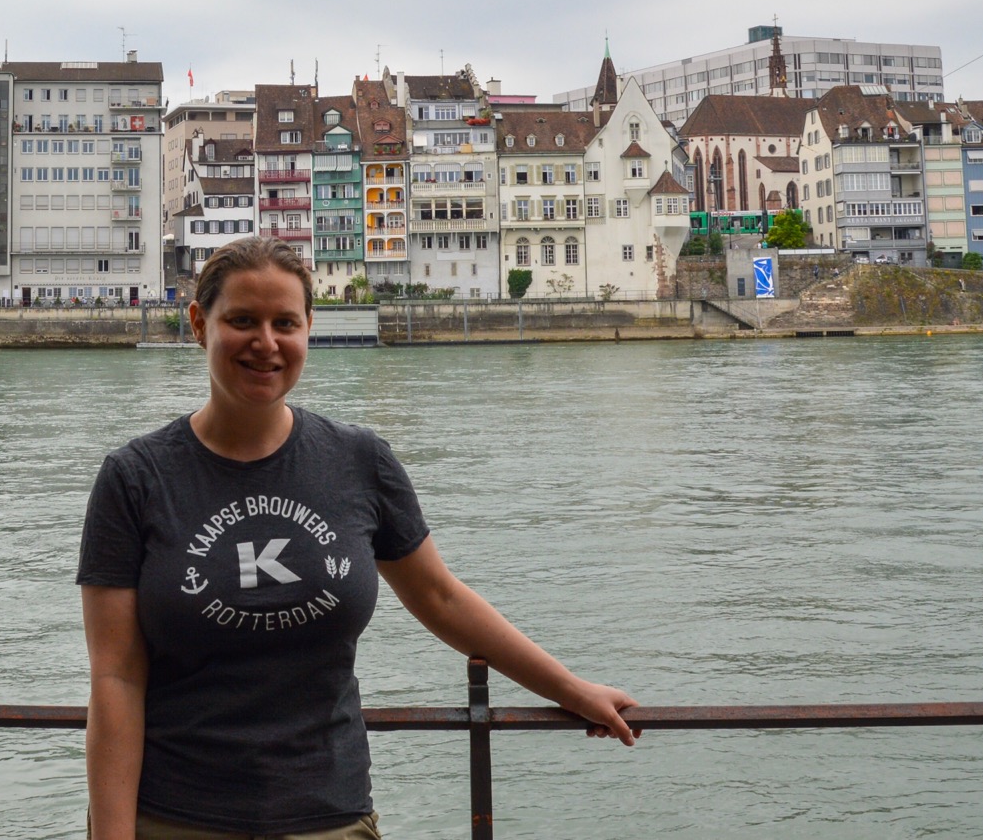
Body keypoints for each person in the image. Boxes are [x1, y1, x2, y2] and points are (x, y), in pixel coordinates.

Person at [78, 236, 638, 840]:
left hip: (329, 816)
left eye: (284, 323)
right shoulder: (135, 478)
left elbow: (441, 597)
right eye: (241, 321)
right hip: (174, 818)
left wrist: (571, 690)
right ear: (199, 324)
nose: (265, 342)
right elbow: (116, 678)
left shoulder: (359, 460)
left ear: (308, 329)